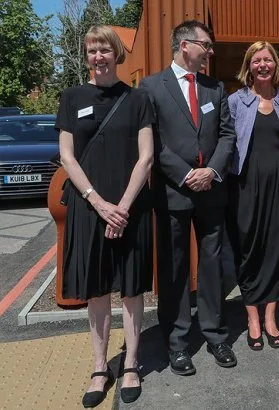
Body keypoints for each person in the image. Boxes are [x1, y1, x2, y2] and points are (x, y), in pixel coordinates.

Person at [56, 25, 153, 407]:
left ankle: (130, 363)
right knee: (96, 291)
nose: (99, 57)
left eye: (105, 50)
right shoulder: (71, 96)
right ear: (87, 56)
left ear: (117, 55)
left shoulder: (139, 99)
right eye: (92, 51)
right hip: (88, 206)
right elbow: (67, 156)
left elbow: (146, 157)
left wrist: (124, 207)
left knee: (130, 290)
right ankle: (100, 366)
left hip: (130, 208)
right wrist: (99, 203)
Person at [139, 20, 237, 374]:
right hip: (172, 191)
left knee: (211, 266)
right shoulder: (151, 86)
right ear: (185, 45)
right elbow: (153, 140)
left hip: (211, 189)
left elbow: (227, 135)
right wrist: (184, 174)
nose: (210, 51)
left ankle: (214, 333)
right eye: (206, 45)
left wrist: (210, 171)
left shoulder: (215, 87)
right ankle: (178, 342)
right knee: (175, 268)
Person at [227, 42, 279, 350]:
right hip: (245, 184)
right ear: (249, 66)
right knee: (249, 247)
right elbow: (225, 142)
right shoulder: (235, 102)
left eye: (268, 60)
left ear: (275, 65)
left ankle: (270, 316)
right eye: (257, 60)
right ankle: (252, 315)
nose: (263, 65)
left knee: (276, 248)